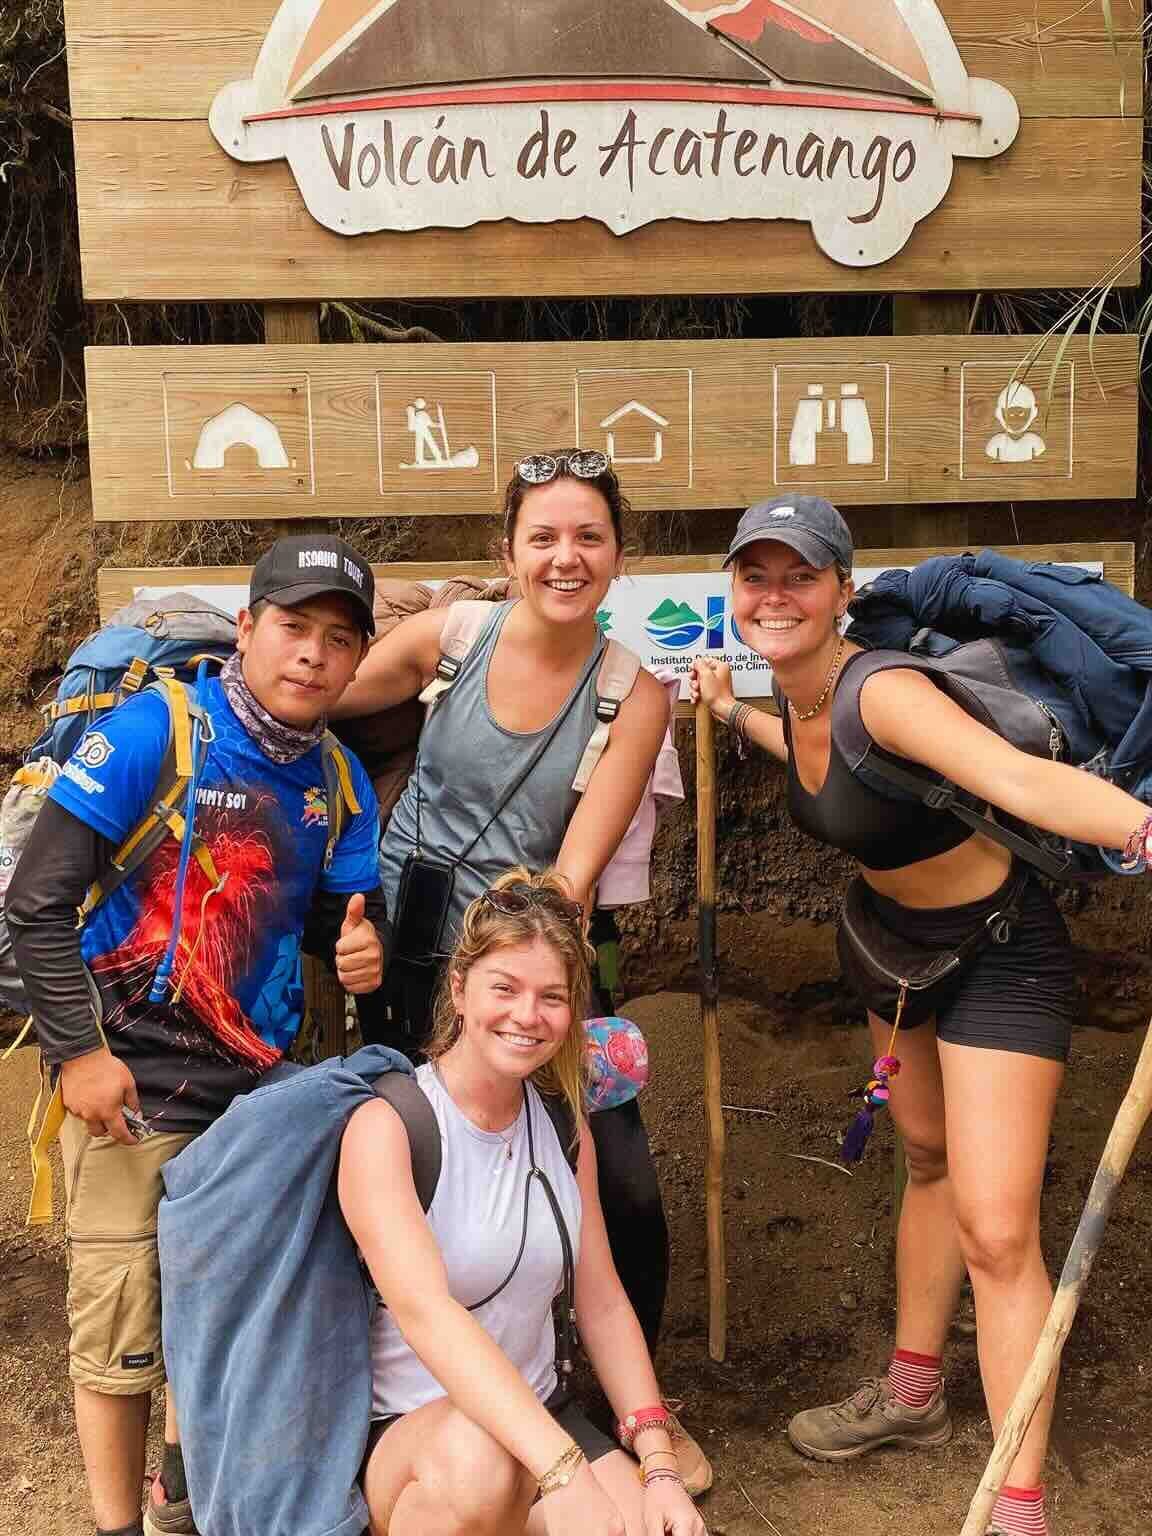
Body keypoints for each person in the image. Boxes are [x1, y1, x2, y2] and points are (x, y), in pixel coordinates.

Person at [689, 495, 1152, 1536]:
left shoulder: (881, 690)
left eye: (799, 576)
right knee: (929, 1161)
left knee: (997, 1230)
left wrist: (1142, 829)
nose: (775, 595)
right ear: (733, 593)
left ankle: (1018, 1502)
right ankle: (913, 1393)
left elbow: (1013, 780)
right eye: (755, 576)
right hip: (892, 954)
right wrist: (727, 712)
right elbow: (817, 753)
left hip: (996, 954)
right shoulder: (802, 695)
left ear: (841, 592)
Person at [7, 535, 390, 1536]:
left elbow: (327, 924)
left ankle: (182, 1500)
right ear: (252, 628)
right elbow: (36, 904)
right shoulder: (154, 731)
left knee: (224, 1309)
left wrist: (358, 956)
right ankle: (115, 1526)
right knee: (122, 1323)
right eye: (294, 627)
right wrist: (79, 1054)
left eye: (337, 639)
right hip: (126, 1078)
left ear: (356, 662)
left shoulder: (341, 781)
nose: (311, 653)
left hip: (256, 1093)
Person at [332, 451, 685, 1384]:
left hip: (526, 967)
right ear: (509, 549)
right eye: (543, 537)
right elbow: (317, 697)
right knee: (408, 1163)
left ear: (618, 556)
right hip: (397, 949)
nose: (564, 558)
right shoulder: (453, 637)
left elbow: (571, 878)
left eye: (588, 538)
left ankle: (630, 1398)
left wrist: (504, 989)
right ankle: (404, 1389)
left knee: (618, 1179)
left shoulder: (634, 695)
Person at [340, 866, 708, 1536]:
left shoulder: (565, 1128)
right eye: (504, 989)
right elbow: (428, 1315)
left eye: (551, 997)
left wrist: (657, 1463)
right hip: (421, 1438)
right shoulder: (391, 1127)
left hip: (544, 1419)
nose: (526, 1016)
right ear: (459, 987)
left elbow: (599, 1299)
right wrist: (563, 1472)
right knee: (484, 1465)